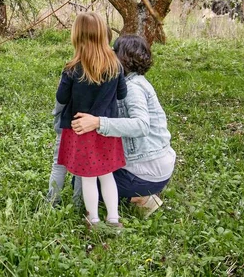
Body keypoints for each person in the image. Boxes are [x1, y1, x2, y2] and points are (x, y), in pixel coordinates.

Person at [71, 34, 176, 217]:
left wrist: (97, 122)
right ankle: (139, 193)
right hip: (157, 166)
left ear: (122, 58)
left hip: (147, 171)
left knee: (84, 176)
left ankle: (141, 198)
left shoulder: (133, 88)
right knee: (95, 170)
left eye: (114, 50)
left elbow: (141, 125)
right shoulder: (132, 82)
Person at [53, 12, 127, 228]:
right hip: (106, 128)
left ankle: (93, 218)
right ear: (103, 34)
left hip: (80, 129)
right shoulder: (116, 65)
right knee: (106, 175)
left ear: (76, 36)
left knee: (88, 178)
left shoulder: (72, 67)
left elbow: (61, 98)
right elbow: (122, 94)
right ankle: (113, 218)